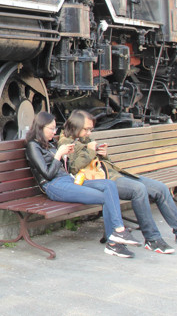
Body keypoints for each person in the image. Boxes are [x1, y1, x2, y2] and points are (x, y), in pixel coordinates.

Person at [59, 110, 177, 253]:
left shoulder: (84, 138)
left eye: (91, 130)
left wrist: (103, 155)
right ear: (76, 126)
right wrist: (91, 151)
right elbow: (72, 169)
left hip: (115, 175)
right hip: (101, 182)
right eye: (86, 129)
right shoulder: (65, 143)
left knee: (160, 188)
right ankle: (152, 239)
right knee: (138, 189)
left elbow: (101, 163)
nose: (89, 133)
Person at [24, 110, 139, 258]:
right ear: (40, 128)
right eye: (51, 129)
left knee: (109, 186)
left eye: (55, 128)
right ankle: (117, 237)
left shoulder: (48, 144)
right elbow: (48, 175)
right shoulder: (33, 146)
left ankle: (116, 236)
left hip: (69, 180)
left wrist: (66, 155)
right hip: (54, 186)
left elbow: (64, 167)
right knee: (105, 196)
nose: (55, 131)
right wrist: (59, 154)